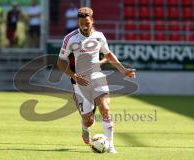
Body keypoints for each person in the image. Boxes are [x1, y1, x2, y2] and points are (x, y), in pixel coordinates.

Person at [57, 7, 136, 153]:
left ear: (92, 21)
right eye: (81, 24)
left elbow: (108, 54)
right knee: (89, 120)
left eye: (87, 23)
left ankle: (111, 145)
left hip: (97, 76)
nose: (85, 26)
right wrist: (74, 76)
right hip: (80, 81)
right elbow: (60, 62)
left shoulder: (99, 36)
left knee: (105, 108)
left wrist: (123, 70)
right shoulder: (70, 39)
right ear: (78, 22)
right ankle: (84, 126)